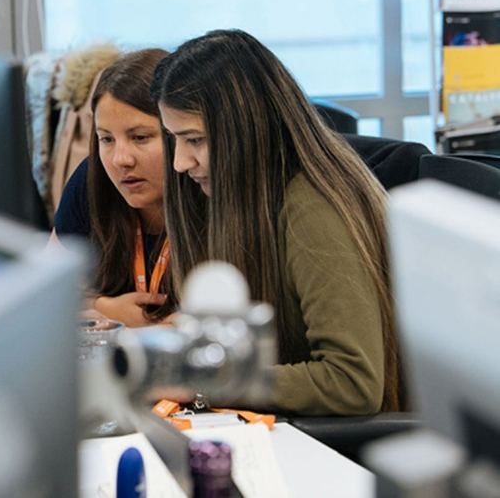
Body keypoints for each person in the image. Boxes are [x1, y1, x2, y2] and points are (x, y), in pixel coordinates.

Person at [151, 29, 405, 415]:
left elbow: (352, 382)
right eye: (175, 140)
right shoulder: (249, 197)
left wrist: (206, 383)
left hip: (331, 451)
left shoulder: (313, 208)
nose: (180, 163)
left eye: (196, 140)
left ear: (245, 131)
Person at [52, 48, 175, 327]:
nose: (121, 159)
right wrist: (104, 307)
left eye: (140, 137)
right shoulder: (92, 177)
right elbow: (44, 295)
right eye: (106, 139)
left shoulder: (209, 189)